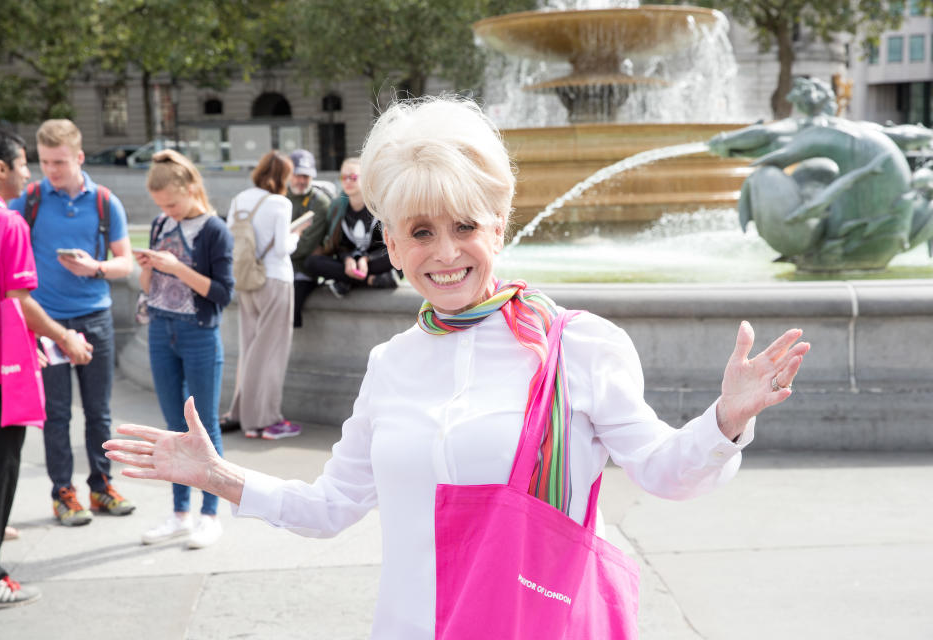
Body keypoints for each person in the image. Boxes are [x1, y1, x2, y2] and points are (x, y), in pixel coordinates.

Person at [104, 97, 810, 638]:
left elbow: (663, 471)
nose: (445, 253)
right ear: (391, 241)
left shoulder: (579, 347)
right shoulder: (391, 364)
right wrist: (215, 474)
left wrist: (726, 421)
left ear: (499, 224)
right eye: (420, 232)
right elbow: (328, 509)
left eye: (465, 227)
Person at [0, 130, 92, 612]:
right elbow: (19, 303)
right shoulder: (6, 224)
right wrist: (64, 337)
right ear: (0, 169)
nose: (28, 173)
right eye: (23, 163)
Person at [8, 119, 134, 527]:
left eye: (59, 161)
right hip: (46, 323)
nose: (52, 170)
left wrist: (95, 267)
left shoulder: (104, 201)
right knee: (56, 414)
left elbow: (125, 262)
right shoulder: (28, 200)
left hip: (95, 317)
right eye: (45, 162)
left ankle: (102, 487)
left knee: (99, 411)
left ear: (79, 157)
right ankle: (63, 493)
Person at [135, 150, 234, 548]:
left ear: (192, 189)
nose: (169, 212)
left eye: (173, 203)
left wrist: (175, 267)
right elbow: (148, 289)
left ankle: (210, 514)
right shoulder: (161, 223)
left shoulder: (214, 229)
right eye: (161, 206)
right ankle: (180, 513)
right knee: (172, 427)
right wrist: (148, 265)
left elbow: (223, 293)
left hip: (198, 331)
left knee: (204, 425)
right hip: (161, 328)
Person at [224, 151, 306, 439]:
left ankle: (239, 412)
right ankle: (265, 420)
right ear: (284, 176)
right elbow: (283, 248)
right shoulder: (280, 203)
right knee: (271, 352)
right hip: (275, 279)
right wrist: (297, 235)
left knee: (250, 348)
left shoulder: (238, 200)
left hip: (246, 279)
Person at [304, 157, 400, 298]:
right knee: (312, 262)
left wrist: (365, 259)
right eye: (344, 177)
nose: (347, 181)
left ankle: (347, 281)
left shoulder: (379, 208)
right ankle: (371, 280)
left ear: (365, 179)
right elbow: (341, 246)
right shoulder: (338, 207)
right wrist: (348, 259)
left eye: (353, 177)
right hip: (352, 265)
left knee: (398, 256)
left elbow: (390, 246)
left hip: (375, 261)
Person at [286, 149, 331, 328]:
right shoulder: (279, 196)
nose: (302, 181)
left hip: (303, 270)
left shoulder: (319, 202)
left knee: (290, 310)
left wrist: (276, 248)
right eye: (297, 175)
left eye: (306, 176)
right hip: (278, 266)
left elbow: (306, 246)